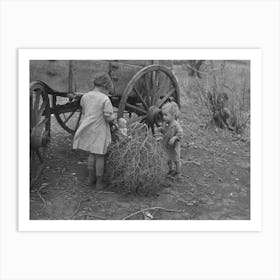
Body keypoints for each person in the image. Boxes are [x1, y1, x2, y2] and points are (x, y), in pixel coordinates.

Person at [72, 72, 115, 189]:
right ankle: (99, 182)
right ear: (105, 86)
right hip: (99, 131)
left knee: (91, 154)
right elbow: (108, 117)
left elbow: (85, 111)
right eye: (108, 89)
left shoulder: (85, 97)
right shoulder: (105, 99)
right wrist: (113, 118)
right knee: (100, 155)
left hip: (88, 128)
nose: (108, 92)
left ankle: (90, 178)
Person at [160, 102, 183, 177]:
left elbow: (180, 133)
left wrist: (175, 137)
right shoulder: (167, 123)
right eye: (163, 115)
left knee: (176, 160)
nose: (163, 117)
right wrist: (161, 129)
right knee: (168, 159)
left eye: (166, 115)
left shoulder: (176, 125)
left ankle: (178, 172)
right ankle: (170, 170)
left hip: (174, 146)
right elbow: (165, 131)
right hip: (167, 145)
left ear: (173, 115)